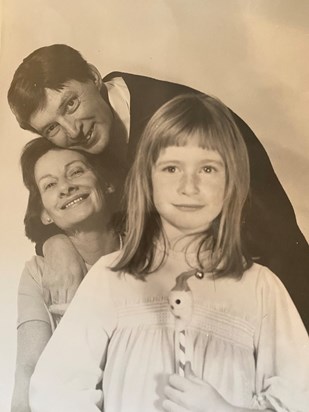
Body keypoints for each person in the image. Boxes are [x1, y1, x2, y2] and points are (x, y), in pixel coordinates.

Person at [30, 95, 309, 412]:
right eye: (172, 168)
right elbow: (56, 389)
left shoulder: (262, 289)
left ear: (232, 183)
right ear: (147, 180)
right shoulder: (112, 276)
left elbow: (298, 400)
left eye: (207, 168)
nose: (189, 186)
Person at [8, 44, 309, 330]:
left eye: (71, 104)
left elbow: (267, 234)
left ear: (93, 76)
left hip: (272, 293)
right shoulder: (82, 146)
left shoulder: (179, 116)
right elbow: (45, 210)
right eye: (52, 128)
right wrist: (56, 244)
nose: (73, 129)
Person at [11, 138, 121, 412]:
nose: (66, 187)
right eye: (50, 184)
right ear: (45, 214)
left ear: (106, 184)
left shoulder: (147, 252)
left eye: (76, 172)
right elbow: (29, 368)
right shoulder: (38, 273)